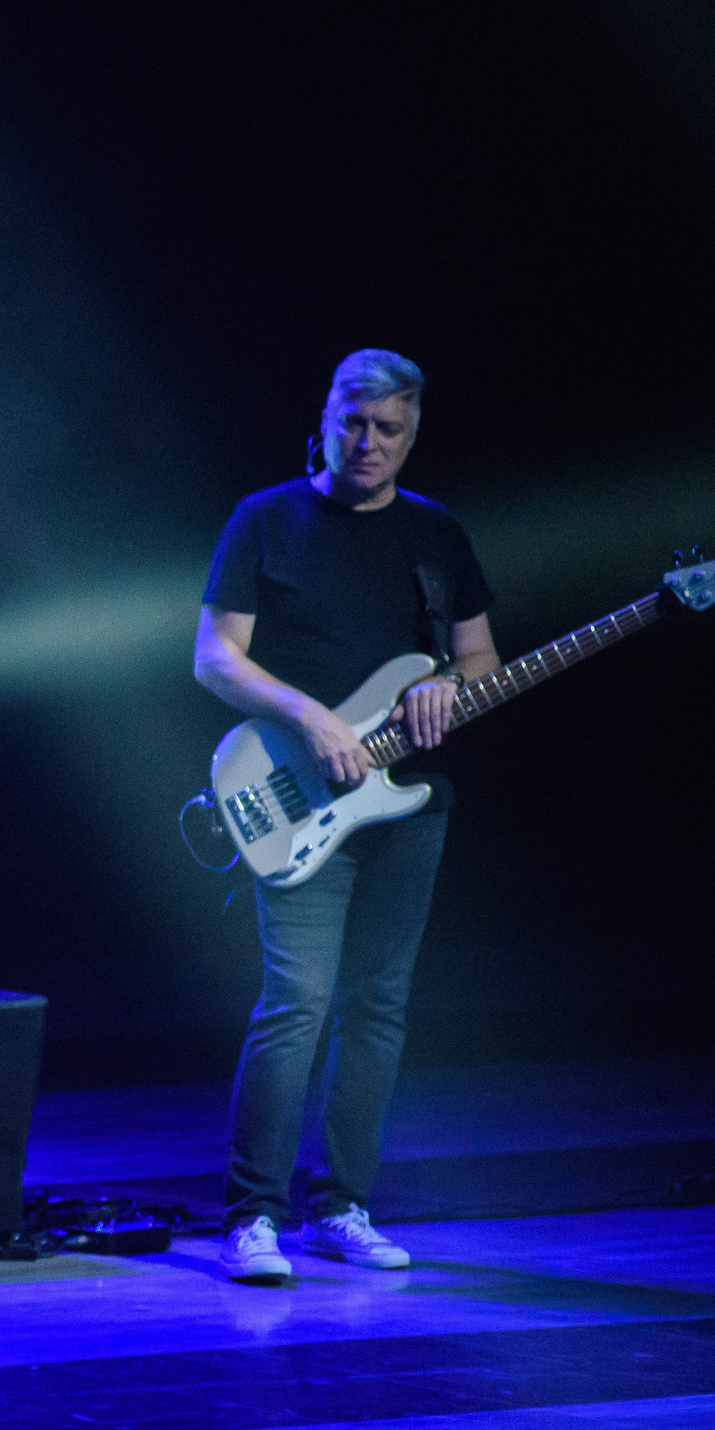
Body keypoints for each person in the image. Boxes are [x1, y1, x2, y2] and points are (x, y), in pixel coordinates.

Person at [191, 349, 498, 1284]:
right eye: (353, 423)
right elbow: (215, 656)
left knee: (379, 1007)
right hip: (296, 797)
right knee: (296, 1003)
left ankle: (344, 1205)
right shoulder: (264, 519)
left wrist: (450, 687)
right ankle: (253, 1216)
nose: (368, 443)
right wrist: (310, 715)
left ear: (412, 435)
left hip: (408, 805)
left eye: (388, 429)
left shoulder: (434, 535)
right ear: (326, 418)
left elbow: (480, 656)